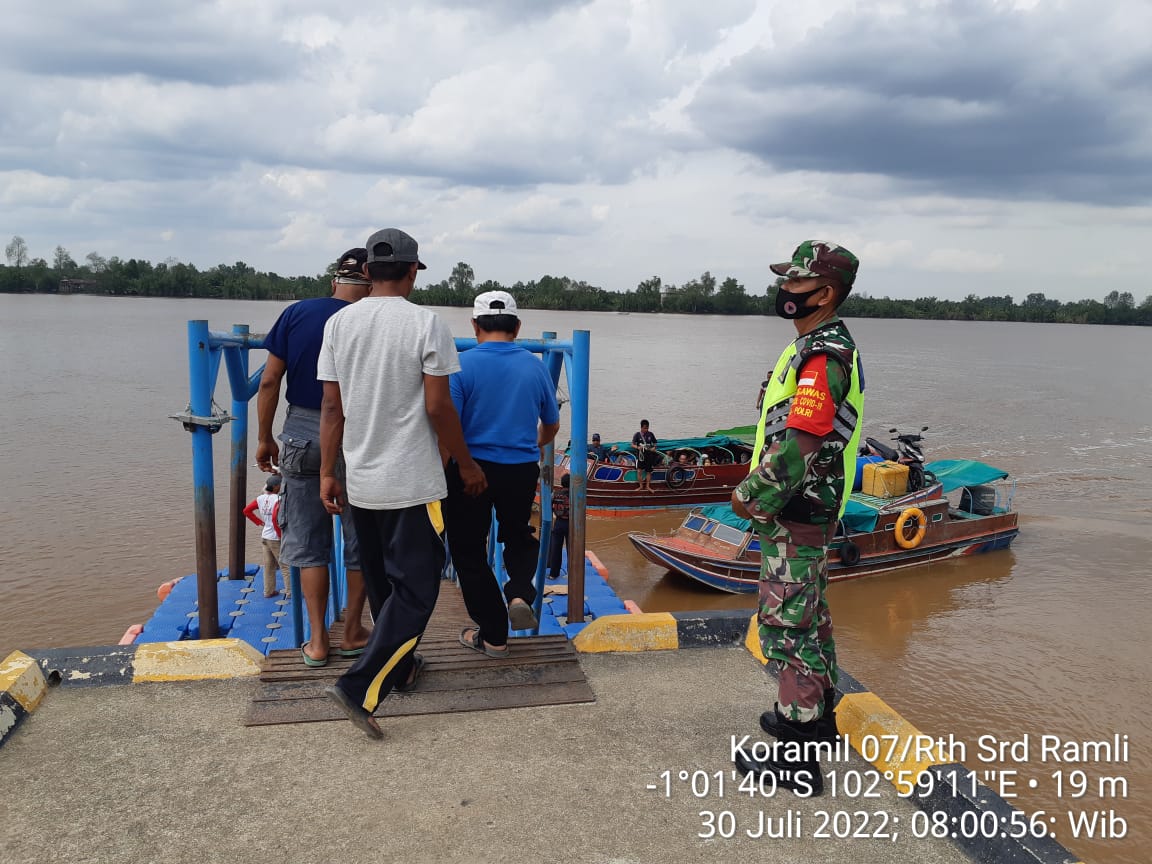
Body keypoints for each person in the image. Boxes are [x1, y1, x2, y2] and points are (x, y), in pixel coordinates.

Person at [316, 228, 486, 739]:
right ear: (413, 272)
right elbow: (438, 406)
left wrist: (328, 472)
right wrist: (467, 464)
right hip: (412, 484)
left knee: (384, 587)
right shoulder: (426, 324)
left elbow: (331, 407)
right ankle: (358, 688)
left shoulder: (339, 324)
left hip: (362, 482)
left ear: (367, 271)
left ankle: (404, 668)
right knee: (416, 591)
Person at [730, 241, 865, 795]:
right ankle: (818, 718)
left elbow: (801, 442)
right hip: (809, 506)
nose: (784, 290)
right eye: (785, 280)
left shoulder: (824, 355)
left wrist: (750, 496)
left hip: (796, 506)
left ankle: (796, 754)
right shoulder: (814, 345)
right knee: (812, 616)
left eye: (796, 282)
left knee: (789, 626)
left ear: (825, 293)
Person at [255, 249, 372, 666]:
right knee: (362, 539)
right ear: (372, 283)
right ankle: (354, 629)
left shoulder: (297, 313)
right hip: (360, 433)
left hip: (303, 432)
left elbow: (269, 381)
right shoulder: (373, 319)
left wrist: (265, 437)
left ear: (334, 281)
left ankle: (319, 641)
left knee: (307, 542)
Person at [445, 290, 561, 655]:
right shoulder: (535, 367)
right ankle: (520, 593)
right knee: (519, 534)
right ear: (517, 327)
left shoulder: (460, 364)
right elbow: (552, 425)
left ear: (474, 325)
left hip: (471, 470)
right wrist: (533, 444)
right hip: (521, 469)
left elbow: (448, 426)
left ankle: (494, 635)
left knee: (468, 550)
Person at [242, 474, 283, 597]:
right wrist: (280, 534)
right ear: (276, 486)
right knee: (286, 566)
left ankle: (268, 591)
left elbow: (246, 511)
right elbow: (275, 518)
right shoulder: (278, 499)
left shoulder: (260, 498)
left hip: (265, 535)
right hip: (275, 537)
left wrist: (259, 522)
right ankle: (291, 591)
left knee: (268, 566)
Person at [546, 474, 571, 580]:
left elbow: (549, 507)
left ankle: (553, 574)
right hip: (571, 523)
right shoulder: (574, 494)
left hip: (558, 523)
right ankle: (572, 573)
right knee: (572, 550)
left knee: (556, 549)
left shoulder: (555, 494)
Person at [631, 419, 658, 492]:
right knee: (639, 471)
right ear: (641, 427)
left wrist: (654, 448)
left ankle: (647, 486)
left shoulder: (651, 434)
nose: (646, 430)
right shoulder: (637, 435)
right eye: (644, 428)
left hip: (649, 456)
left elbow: (655, 443)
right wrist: (638, 447)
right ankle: (641, 486)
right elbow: (632, 444)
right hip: (641, 456)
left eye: (647, 428)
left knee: (648, 471)